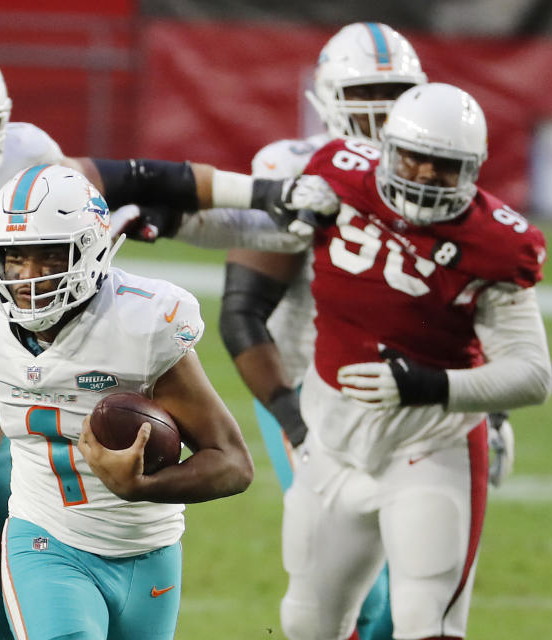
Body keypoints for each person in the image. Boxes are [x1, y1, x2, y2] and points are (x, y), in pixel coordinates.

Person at [0, 38, 327, 640]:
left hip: (71, 453)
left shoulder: (35, 167)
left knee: (5, 624)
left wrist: (267, 197)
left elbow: (146, 181)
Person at [0, 164, 255, 640]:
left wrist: (143, 486)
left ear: (90, 252)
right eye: (13, 259)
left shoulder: (142, 323)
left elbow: (233, 464)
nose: (27, 277)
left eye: (48, 258)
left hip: (149, 547)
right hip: (45, 539)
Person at [278, 83, 552, 640]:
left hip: (430, 446)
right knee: (306, 623)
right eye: (414, 157)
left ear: (472, 170)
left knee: (426, 620)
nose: (425, 174)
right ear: (385, 149)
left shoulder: (494, 243)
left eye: (444, 166)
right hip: (332, 443)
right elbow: (249, 217)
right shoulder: (338, 173)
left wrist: (428, 385)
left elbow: (534, 374)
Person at [220, 22, 427, 640]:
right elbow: (241, 312)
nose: (381, 110)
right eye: (366, 91)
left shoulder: (433, 179)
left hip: (401, 394)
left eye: (394, 93)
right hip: (306, 386)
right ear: (328, 96)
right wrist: (289, 414)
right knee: (356, 585)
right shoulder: (294, 169)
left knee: (412, 584)